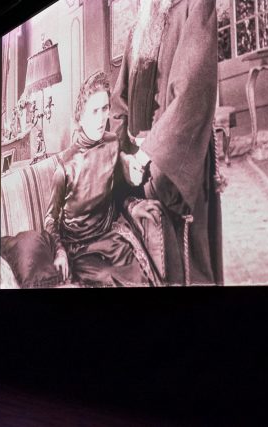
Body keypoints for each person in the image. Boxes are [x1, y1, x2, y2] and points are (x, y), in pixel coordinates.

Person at [111, 0, 223, 285]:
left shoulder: (195, 6)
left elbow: (192, 95)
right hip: (135, 168)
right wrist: (122, 157)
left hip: (174, 162)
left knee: (186, 272)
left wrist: (147, 154)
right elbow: (119, 102)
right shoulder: (140, 24)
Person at [44, 71, 162, 287]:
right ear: (80, 117)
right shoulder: (64, 166)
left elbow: (117, 192)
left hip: (109, 238)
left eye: (105, 108)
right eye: (94, 111)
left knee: (140, 278)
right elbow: (50, 218)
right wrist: (59, 251)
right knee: (110, 278)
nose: (101, 118)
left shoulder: (112, 143)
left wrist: (133, 206)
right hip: (79, 248)